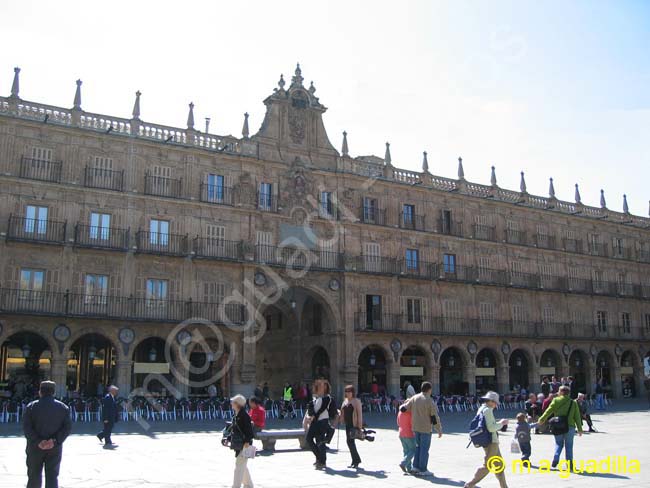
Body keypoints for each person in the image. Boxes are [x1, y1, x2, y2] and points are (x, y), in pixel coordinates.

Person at [23, 380, 72, 488]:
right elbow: (67, 428)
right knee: (52, 476)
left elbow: (27, 428)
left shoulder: (31, 407)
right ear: (54, 392)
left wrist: (38, 441)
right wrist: (54, 441)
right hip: (54, 447)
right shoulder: (63, 407)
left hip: (35, 447)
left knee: (34, 476)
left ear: (40, 392)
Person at [464, 391, 509, 488]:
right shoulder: (488, 410)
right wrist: (502, 423)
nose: (496, 405)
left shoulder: (482, 408)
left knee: (499, 466)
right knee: (488, 465)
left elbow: (486, 425)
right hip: (491, 442)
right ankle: (470, 484)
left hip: (487, 441)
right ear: (491, 401)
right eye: (496, 403)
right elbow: (491, 428)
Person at [399, 381, 442, 477]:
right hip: (426, 428)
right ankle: (423, 469)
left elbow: (404, 408)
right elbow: (434, 417)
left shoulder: (414, 398)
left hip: (415, 428)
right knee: (424, 449)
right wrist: (438, 429)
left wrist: (400, 408)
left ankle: (415, 467)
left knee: (418, 447)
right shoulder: (429, 400)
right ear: (429, 389)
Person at [538, 385, 583, 469]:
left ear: (561, 392)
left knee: (558, 443)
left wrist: (542, 419)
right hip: (570, 426)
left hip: (558, 425)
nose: (557, 393)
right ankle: (570, 465)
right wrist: (580, 429)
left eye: (559, 391)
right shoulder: (573, 402)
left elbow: (548, 411)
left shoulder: (556, 400)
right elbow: (577, 416)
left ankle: (556, 457)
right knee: (569, 446)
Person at [305, 380, 332, 470]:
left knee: (320, 441)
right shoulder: (316, 398)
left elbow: (321, 409)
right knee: (309, 439)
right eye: (320, 386)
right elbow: (312, 409)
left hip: (322, 421)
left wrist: (313, 417)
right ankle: (319, 458)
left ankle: (322, 461)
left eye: (324, 386)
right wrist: (310, 416)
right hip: (315, 421)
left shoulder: (327, 398)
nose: (322, 388)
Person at [230, 394, 254, 488]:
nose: (231, 403)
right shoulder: (237, 414)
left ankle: (236, 486)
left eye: (233, 402)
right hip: (240, 444)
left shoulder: (244, 415)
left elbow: (249, 432)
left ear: (237, 404)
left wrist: (247, 443)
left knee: (239, 467)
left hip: (245, 444)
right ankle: (248, 485)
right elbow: (236, 429)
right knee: (242, 466)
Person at [340, 385, 363, 468]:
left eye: (349, 391)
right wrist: (340, 418)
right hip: (347, 424)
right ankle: (355, 460)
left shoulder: (356, 401)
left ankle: (356, 460)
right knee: (350, 442)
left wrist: (359, 427)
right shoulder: (345, 401)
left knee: (350, 442)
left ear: (353, 392)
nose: (347, 393)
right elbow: (342, 412)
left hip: (354, 424)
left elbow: (359, 414)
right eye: (346, 391)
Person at [397, 400, 416, 473]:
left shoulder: (400, 412)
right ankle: (403, 463)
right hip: (409, 433)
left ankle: (409, 468)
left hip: (401, 433)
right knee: (413, 450)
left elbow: (398, 423)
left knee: (406, 451)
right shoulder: (410, 413)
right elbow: (412, 424)